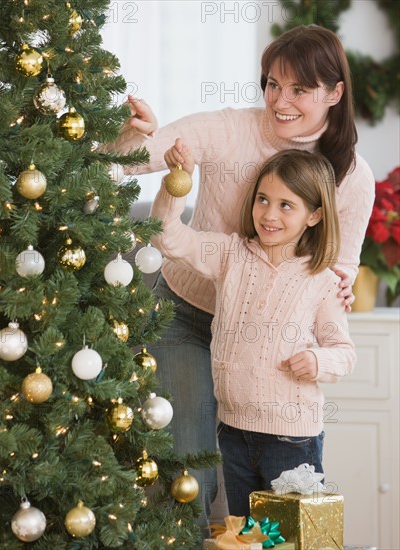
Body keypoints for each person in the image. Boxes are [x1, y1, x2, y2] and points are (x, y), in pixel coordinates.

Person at [105, 24, 374, 528]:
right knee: (188, 470)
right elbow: (132, 162)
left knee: (263, 496)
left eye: (300, 89)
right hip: (186, 314)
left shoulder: (352, 176)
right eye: (273, 83)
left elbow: (340, 268)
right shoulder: (229, 127)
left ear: (336, 93)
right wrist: (132, 135)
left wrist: (331, 317)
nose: (281, 100)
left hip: (266, 345)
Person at [151, 142, 357, 516]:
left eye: (285, 205)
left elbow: (344, 352)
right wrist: (174, 184)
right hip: (233, 431)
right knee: (247, 533)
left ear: (314, 216)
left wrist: (317, 359)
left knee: (290, 537)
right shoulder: (231, 255)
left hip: (292, 438)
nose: (269, 214)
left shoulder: (322, 281)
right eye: (263, 199)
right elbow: (168, 238)